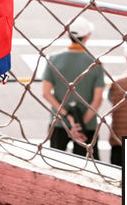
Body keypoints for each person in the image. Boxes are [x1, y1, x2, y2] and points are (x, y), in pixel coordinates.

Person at [40, 18, 105, 159]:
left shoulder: (54, 59)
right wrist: (80, 125)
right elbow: (98, 99)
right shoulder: (95, 63)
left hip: (59, 122)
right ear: (87, 36)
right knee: (87, 166)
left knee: (55, 163)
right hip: (87, 125)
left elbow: (46, 93)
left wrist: (67, 116)